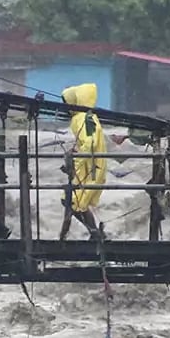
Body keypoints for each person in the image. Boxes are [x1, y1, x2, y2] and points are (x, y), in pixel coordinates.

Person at [60, 83, 107, 241]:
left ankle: (94, 233)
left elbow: (89, 143)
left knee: (72, 200)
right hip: (92, 165)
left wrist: (76, 163)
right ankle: (95, 233)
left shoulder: (82, 118)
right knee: (78, 201)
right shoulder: (89, 116)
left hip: (90, 168)